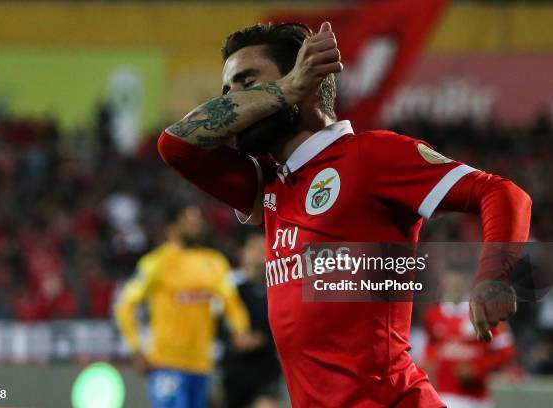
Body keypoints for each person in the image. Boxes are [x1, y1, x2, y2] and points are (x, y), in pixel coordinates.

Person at [157, 21, 531, 407]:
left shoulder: (370, 157)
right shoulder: (268, 185)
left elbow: (503, 193)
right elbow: (176, 145)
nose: (235, 101)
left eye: (247, 82)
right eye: (228, 90)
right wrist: (281, 91)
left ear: (307, 81)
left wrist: (494, 277)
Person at [114, 206, 255, 408]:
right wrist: (136, 348)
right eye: (189, 221)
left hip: (201, 365)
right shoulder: (157, 262)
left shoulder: (214, 262)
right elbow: (126, 305)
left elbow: (231, 303)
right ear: (172, 228)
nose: (196, 226)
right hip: (166, 363)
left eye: (198, 222)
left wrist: (240, 330)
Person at [422, 269, 516, 408]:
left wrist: (478, 369)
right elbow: (430, 347)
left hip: (477, 398)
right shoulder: (433, 314)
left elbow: (506, 351)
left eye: (459, 283)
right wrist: (428, 365)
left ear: (468, 283)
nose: (454, 287)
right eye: (451, 283)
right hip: (444, 395)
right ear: (443, 283)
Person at [222, 234, 282, 408]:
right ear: (242, 252)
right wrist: (232, 337)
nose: (260, 255)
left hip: (266, 367)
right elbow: (215, 322)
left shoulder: (277, 289)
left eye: (264, 249)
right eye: (255, 249)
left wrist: (262, 338)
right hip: (234, 369)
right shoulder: (228, 286)